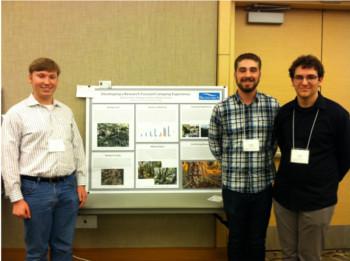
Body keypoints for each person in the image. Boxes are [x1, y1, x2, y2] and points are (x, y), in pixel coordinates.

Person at [1, 57, 88, 261]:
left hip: (67, 187)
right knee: (37, 251)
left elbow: (77, 148)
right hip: (35, 190)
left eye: (52, 76)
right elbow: (8, 157)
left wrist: (81, 182)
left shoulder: (66, 112)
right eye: (41, 76)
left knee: (64, 247)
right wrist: (16, 197)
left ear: (57, 80)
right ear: (30, 78)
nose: (47, 81)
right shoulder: (17, 114)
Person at [273, 55, 350, 261]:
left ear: (321, 80)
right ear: (292, 80)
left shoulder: (337, 115)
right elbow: (281, 145)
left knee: (309, 255)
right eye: (299, 77)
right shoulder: (284, 113)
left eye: (311, 77)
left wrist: (327, 180)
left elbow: (346, 156)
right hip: (285, 197)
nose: (304, 82)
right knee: (288, 254)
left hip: (318, 199)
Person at [209, 53, 279, 261]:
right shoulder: (222, 109)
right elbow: (214, 144)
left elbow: (276, 141)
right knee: (236, 238)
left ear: (259, 73)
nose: (247, 75)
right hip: (233, 188)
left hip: (263, 187)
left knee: (258, 239)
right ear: (235, 74)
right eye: (243, 70)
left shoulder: (273, 106)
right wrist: (232, 162)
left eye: (252, 70)